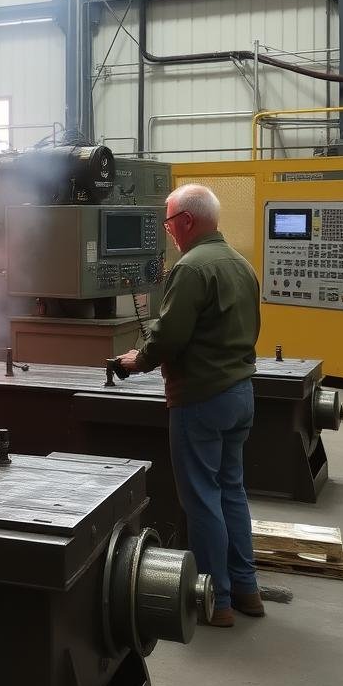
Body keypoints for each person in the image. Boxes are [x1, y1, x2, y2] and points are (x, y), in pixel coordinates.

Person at [117, 183, 262, 628]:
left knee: (201, 499)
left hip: (201, 398)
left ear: (185, 221)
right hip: (240, 394)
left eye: (168, 223)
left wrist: (135, 360)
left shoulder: (192, 268)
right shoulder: (241, 265)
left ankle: (214, 600)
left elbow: (170, 336)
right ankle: (246, 588)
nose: (168, 232)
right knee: (231, 491)